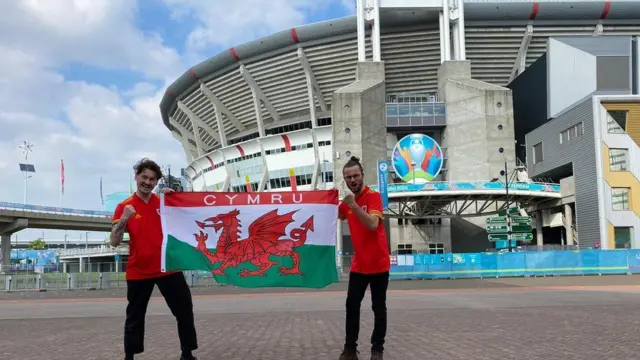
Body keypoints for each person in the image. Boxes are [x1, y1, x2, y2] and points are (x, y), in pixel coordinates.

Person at [110, 158, 198, 360]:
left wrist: (173, 199)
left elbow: (186, 218)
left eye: (152, 179)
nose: (147, 182)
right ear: (136, 177)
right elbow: (114, 241)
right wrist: (124, 219)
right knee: (135, 317)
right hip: (139, 270)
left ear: (157, 182)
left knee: (184, 311)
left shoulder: (163, 204)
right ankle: (129, 356)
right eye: (144, 177)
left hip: (169, 267)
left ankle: (187, 354)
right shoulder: (125, 207)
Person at [337, 156, 391, 360]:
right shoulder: (345, 204)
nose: (352, 180)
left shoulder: (373, 196)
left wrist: (353, 205)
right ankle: (350, 349)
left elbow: (372, 224)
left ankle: (377, 349)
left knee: (379, 307)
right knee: (351, 305)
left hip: (378, 263)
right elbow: (331, 217)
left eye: (356, 175)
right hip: (359, 265)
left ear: (362, 176)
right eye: (348, 177)